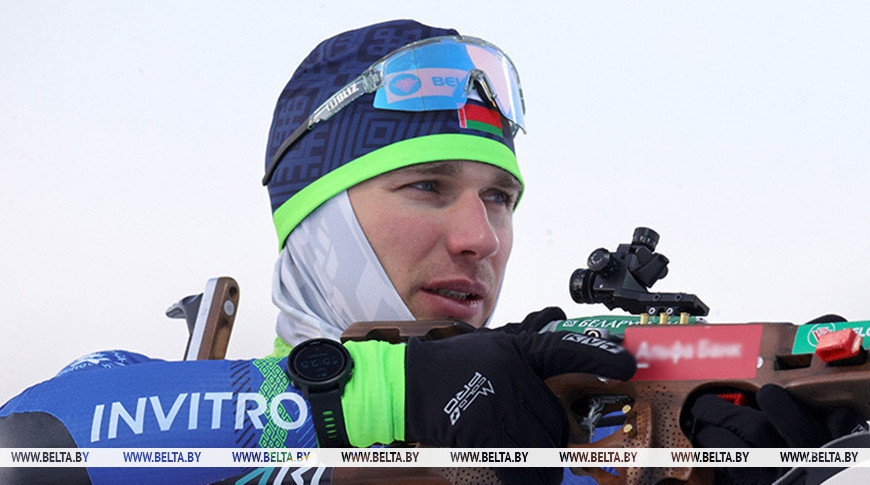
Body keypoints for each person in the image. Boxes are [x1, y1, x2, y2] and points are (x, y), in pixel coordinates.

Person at [0, 19, 636, 485]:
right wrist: (390, 391)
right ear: (319, 224)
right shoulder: (149, 417)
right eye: (427, 186)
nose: (483, 237)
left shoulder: (589, 446)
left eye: (498, 197)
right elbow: (29, 441)